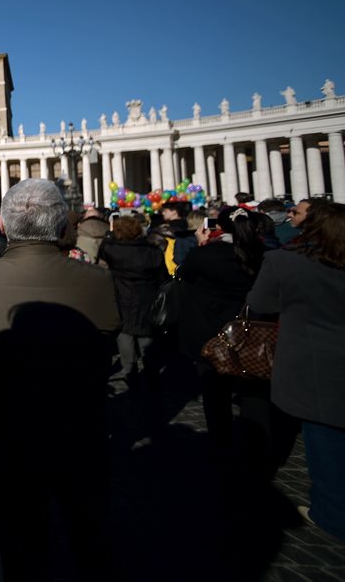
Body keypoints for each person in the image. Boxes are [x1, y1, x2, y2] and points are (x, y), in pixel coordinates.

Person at [0, 178, 121, 581]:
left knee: (21, 541)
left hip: (9, 435)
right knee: (89, 535)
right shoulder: (98, 279)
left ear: (3, 226)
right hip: (79, 430)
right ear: (63, 227)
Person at [247, 200, 345, 539]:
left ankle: (332, 512)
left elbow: (260, 304)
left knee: (324, 436)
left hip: (311, 358)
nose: (290, 216)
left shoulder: (284, 261)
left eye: (297, 213)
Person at [177, 207, 291, 474]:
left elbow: (183, 277)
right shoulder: (263, 255)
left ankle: (221, 447)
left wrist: (202, 245)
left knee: (216, 396)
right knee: (255, 393)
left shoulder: (205, 254)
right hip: (255, 335)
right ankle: (259, 449)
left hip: (212, 336)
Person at [97, 212, 168, 384]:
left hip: (121, 295)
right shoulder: (152, 251)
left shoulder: (112, 249)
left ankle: (130, 370)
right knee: (146, 334)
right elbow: (163, 277)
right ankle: (151, 368)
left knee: (125, 334)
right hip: (147, 296)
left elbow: (102, 260)